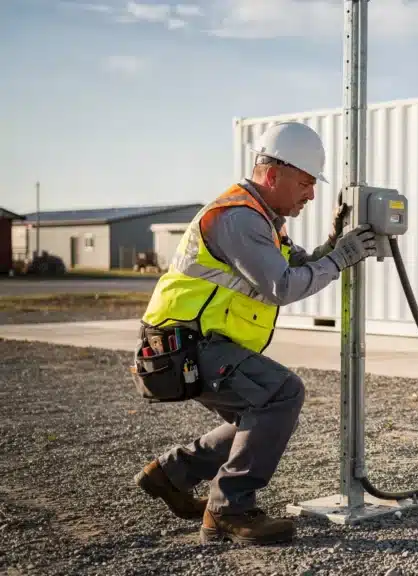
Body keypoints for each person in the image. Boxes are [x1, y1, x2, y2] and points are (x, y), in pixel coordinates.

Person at [132, 121, 377, 545]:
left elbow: (299, 266)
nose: (311, 194)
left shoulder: (264, 220)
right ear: (272, 173)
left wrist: (335, 245)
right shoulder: (238, 219)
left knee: (260, 412)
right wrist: (338, 261)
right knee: (282, 393)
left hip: (194, 343)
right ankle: (230, 509)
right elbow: (282, 285)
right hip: (183, 346)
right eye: (305, 183)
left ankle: (171, 475)